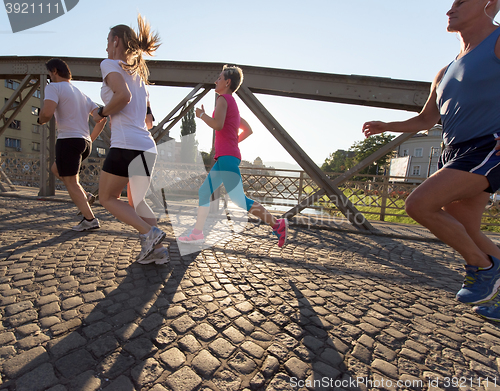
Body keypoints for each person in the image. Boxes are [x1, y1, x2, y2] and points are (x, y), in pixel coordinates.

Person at [362, 0, 500, 321]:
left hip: (488, 147)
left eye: (461, 1)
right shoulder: (445, 70)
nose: (450, 9)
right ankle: (491, 272)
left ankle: (482, 266)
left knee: (418, 204)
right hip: (453, 152)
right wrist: (387, 126)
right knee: (466, 227)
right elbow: (426, 119)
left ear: (489, 3)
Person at [178, 65, 289, 247]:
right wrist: (232, 142)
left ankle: (277, 223)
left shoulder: (222, 100)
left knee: (239, 200)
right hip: (226, 157)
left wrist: (202, 115)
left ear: (228, 82)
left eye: (219, 78)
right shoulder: (233, 104)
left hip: (226, 158)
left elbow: (218, 125)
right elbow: (248, 130)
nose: (216, 81)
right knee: (204, 191)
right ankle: (197, 233)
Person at [92, 15, 169, 264]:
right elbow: (149, 120)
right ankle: (157, 252)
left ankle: (150, 233)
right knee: (136, 201)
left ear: (115, 41)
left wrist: (101, 112)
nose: (105, 47)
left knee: (106, 198)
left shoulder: (109, 64)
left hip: (126, 146)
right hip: (147, 147)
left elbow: (122, 97)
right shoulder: (140, 77)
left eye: (107, 41)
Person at [38, 58, 106, 232]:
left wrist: (40, 119)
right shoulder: (80, 93)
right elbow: (100, 117)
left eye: (49, 74)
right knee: (56, 169)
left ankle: (89, 219)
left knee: (70, 181)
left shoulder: (53, 87)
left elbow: (46, 113)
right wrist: (90, 138)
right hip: (84, 143)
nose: (49, 78)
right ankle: (86, 196)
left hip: (68, 140)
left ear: (54, 71)